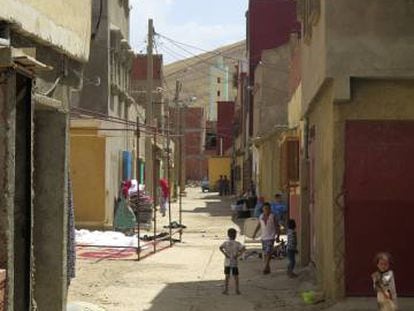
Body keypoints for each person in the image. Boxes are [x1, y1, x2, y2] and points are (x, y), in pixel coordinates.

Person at [252, 203, 280, 274]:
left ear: (270, 209)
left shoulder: (272, 216)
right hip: (263, 237)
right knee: (266, 253)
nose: (266, 210)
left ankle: (265, 267)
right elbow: (259, 225)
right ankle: (268, 268)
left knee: (268, 252)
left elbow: (277, 226)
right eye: (265, 209)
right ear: (263, 209)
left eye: (268, 208)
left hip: (271, 237)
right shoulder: (261, 216)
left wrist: (278, 236)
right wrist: (254, 233)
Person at [219, 228, 245, 295]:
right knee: (236, 276)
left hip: (227, 262)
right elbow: (243, 249)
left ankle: (226, 290)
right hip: (234, 262)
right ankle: (237, 290)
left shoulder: (226, 243)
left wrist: (225, 254)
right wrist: (238, 255)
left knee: (227, 276)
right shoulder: (237, 243)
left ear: (228, 235)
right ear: (235, 235)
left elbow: (220, 248)